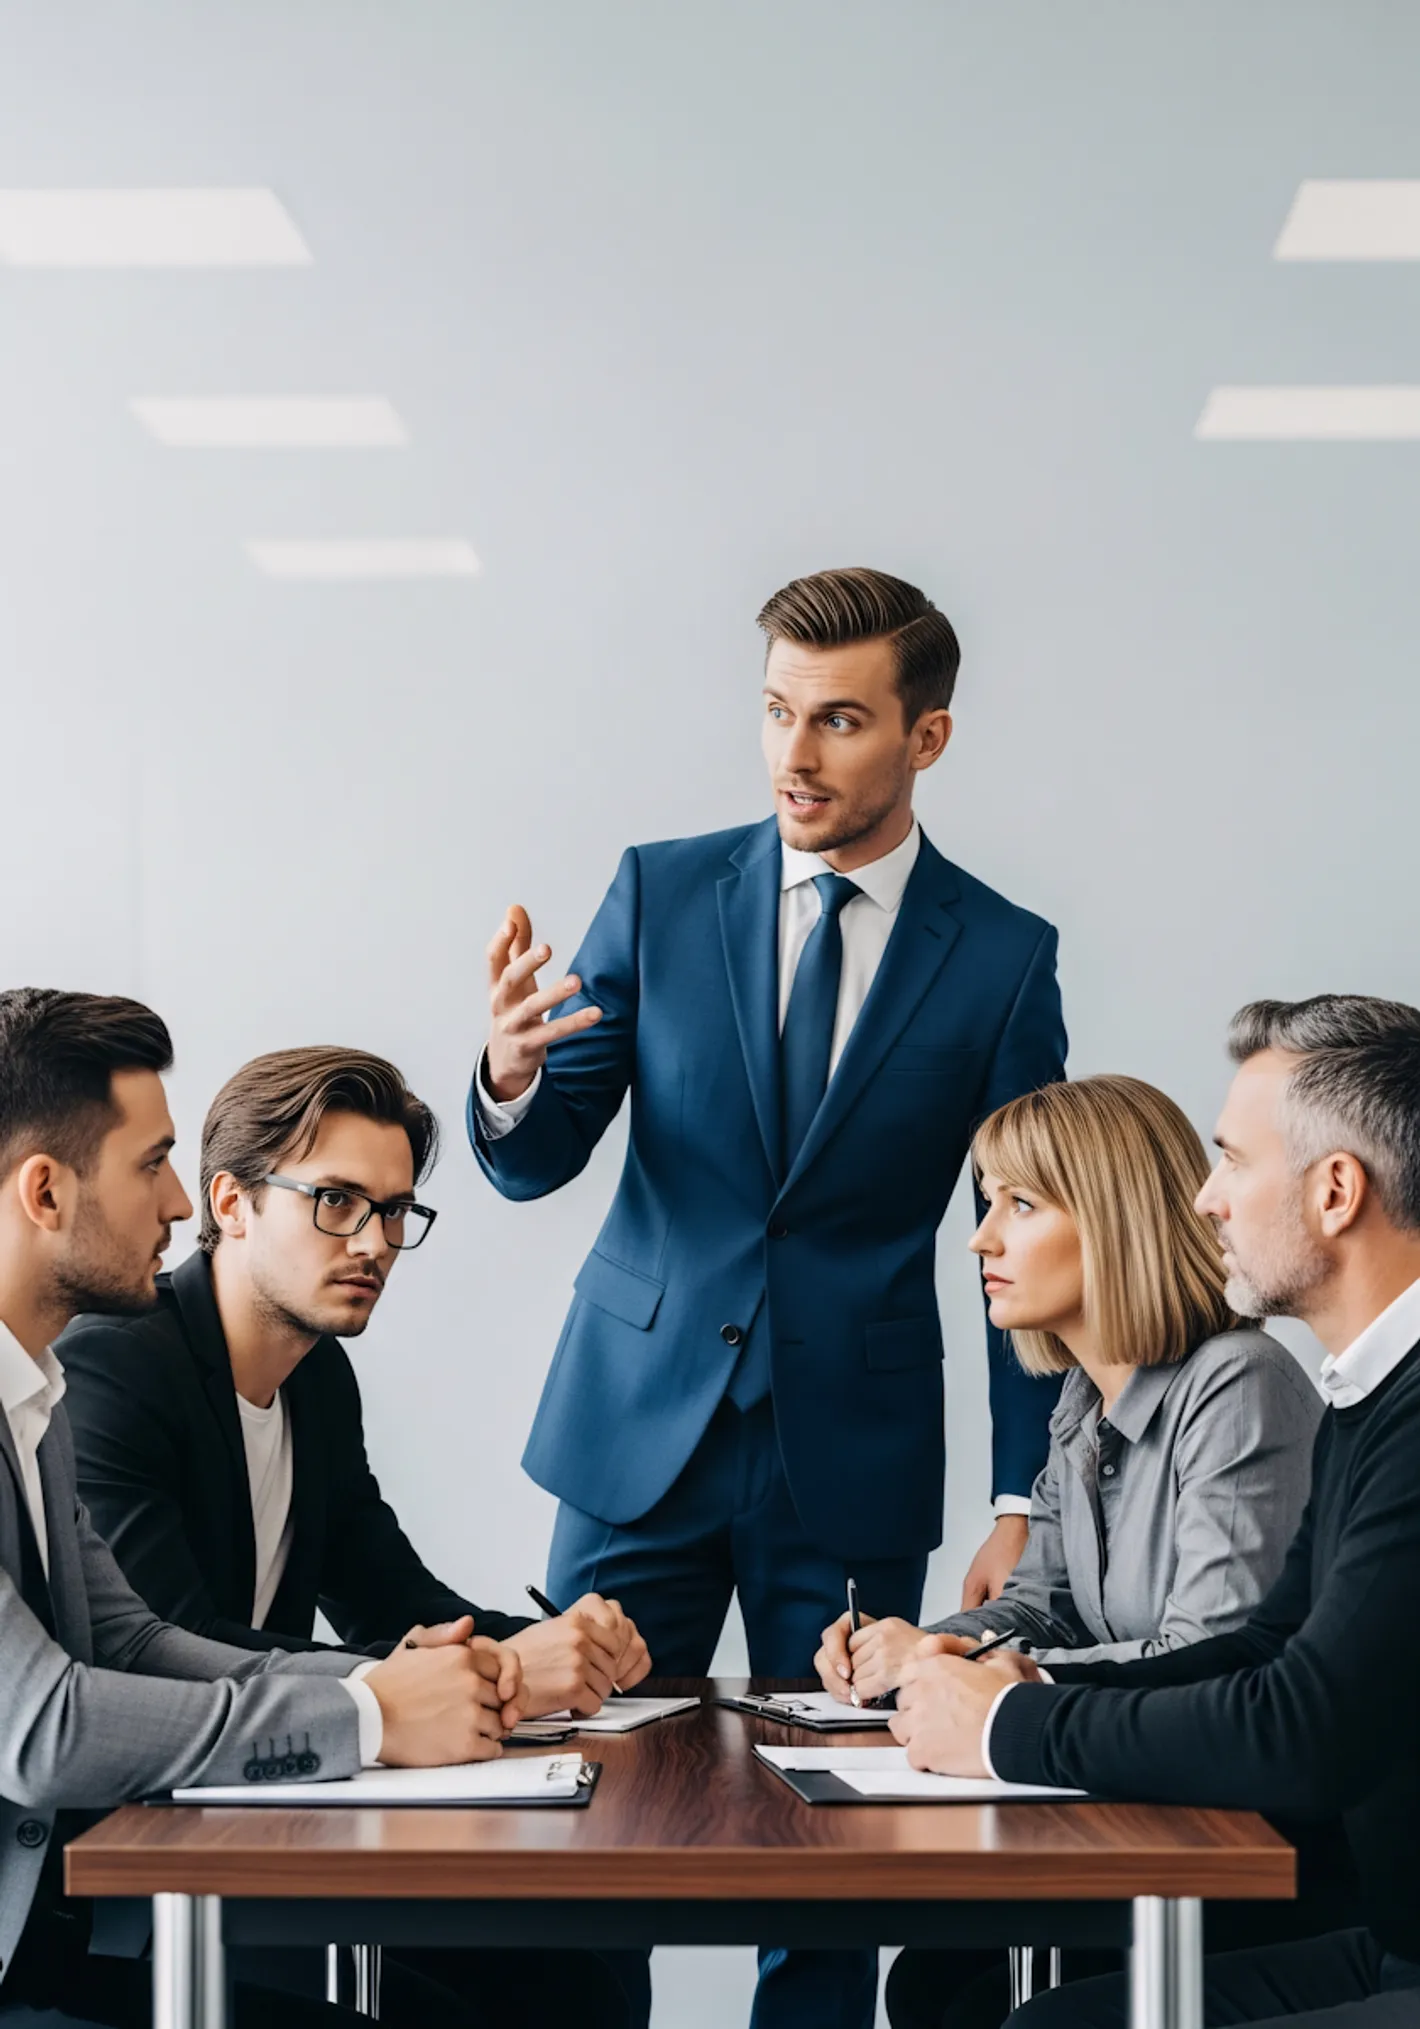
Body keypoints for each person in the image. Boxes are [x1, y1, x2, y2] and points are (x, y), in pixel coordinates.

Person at [471, 565, 1068, 2029]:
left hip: (850, 1454)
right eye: (776, 712)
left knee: (837, 1828)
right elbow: (539, 1159)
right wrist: (509, 1076)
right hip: (636, 1428)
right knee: (590, 1789)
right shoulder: (661, 891)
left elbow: (1030, 1244)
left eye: (840, 720)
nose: (794, 755)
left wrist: (1023, 1499)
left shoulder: (1002, 957)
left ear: (926, 737)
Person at [59, 1042, 651, 2029]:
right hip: (125, 1870)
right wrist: (493, 1673)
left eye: (394, 1210)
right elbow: (168, 1648)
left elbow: (395, 1598)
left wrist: (564, 1641)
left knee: (579, 1976)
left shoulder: (317, 1379)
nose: (374, 1241)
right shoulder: (117, 1366)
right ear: (232, 1203)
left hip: (268, 1816)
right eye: (335, 1201)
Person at [887, 995, 1420, 2029]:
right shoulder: (1364, 1397)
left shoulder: (1357, 1401)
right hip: (1392, 1938)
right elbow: (1263, 1645)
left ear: (1335, 1191)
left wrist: (1008, 1722)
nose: (1206, 1199)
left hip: (1367, 1924)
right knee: (980, 1997)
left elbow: (1304, 1725)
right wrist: (1010, 1682)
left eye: (1232, 1162)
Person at [0, 988, 526, 2029]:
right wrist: (373, 1714)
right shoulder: (106, 1373)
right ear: (46, 1192)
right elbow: (46, 1727)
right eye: (152, 1165)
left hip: (44, 1944)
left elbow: (137, 1640)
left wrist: (403, 1683)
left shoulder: (34, 1396)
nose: (178, 1205)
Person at [807, 1074, 1321, 2029]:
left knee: (967, 1993)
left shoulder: (1238, 1384)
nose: (980, 1239)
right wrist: (925, 1646)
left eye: (1020, 1204)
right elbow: (1043, 1603)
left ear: (1114, 1221)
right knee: (930, 1980)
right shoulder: (1084, 1396)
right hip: (1135, 1807)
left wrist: (984, 1684)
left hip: (1248, 1847)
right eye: (987, 1202)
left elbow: (1212, 1657)